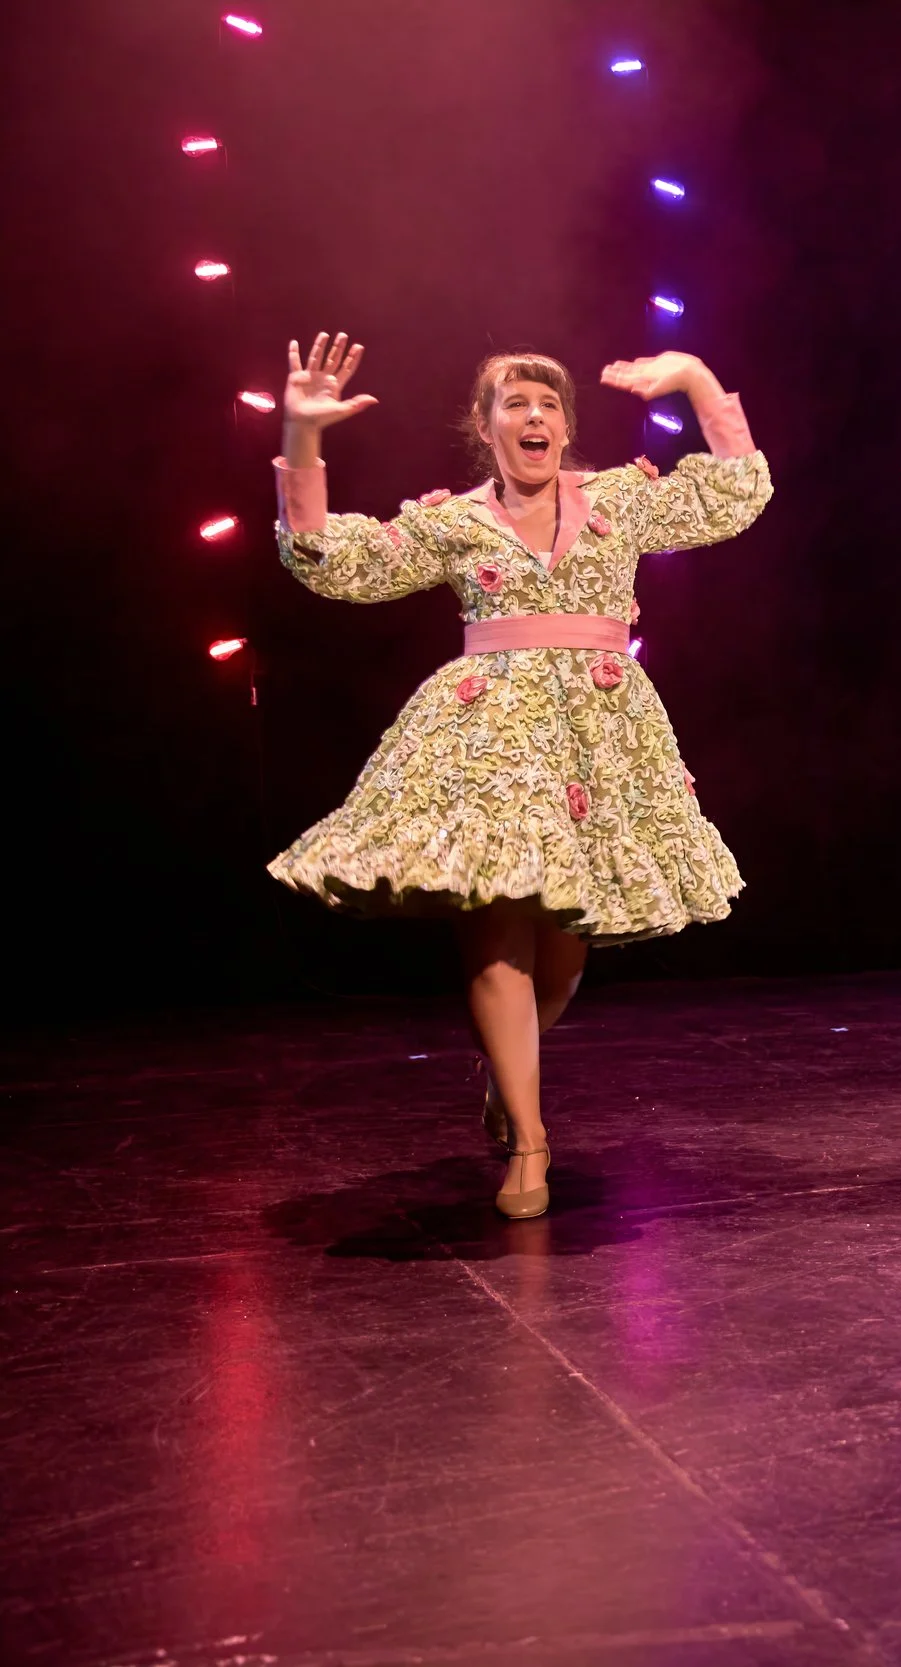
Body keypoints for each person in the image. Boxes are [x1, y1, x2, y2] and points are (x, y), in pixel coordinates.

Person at [266, 332, 771, 1215]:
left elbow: (736, 490)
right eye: (515, 404)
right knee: (497, 920)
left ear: (567, 426)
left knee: (567, 949)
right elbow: (332, 562)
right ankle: (532, 1143)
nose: (534, 416)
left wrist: (694, 377)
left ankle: (510, 1073)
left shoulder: (620, 500)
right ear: (484, 425)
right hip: (486, 741)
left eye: (548, 405)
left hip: (600, 738)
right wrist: (302, 438)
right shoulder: (453, 520)